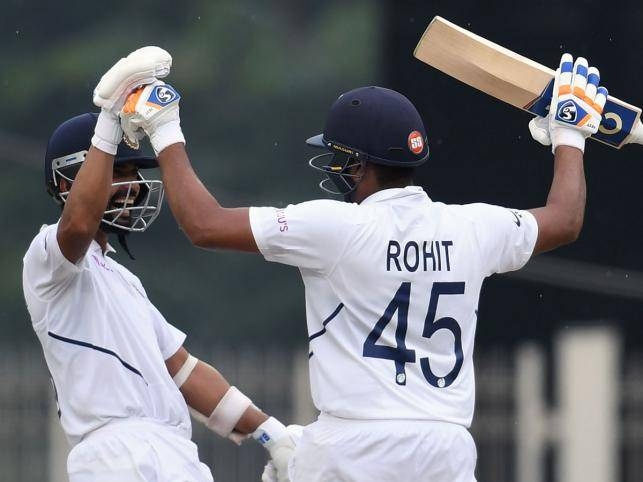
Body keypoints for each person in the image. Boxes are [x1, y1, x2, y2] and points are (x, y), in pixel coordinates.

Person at [117, 48, 606, 481]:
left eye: (337, 157)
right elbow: (564, 220)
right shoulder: (474, 228)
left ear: (358, 164)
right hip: (446, 447)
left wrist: (165, 128)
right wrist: (570, 136)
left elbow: (204, 224)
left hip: (355, 447)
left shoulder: (336, 228)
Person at [22, 56, 299, 481]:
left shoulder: (123, 279)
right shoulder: (46, 258)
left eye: (133, 171)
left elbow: (183, 371)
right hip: (116, 457)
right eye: (120, 169)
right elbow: (77, 224)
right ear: (65, 182)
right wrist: (110, 121)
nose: (133, 185)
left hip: (172, 451)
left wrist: (270, 433)